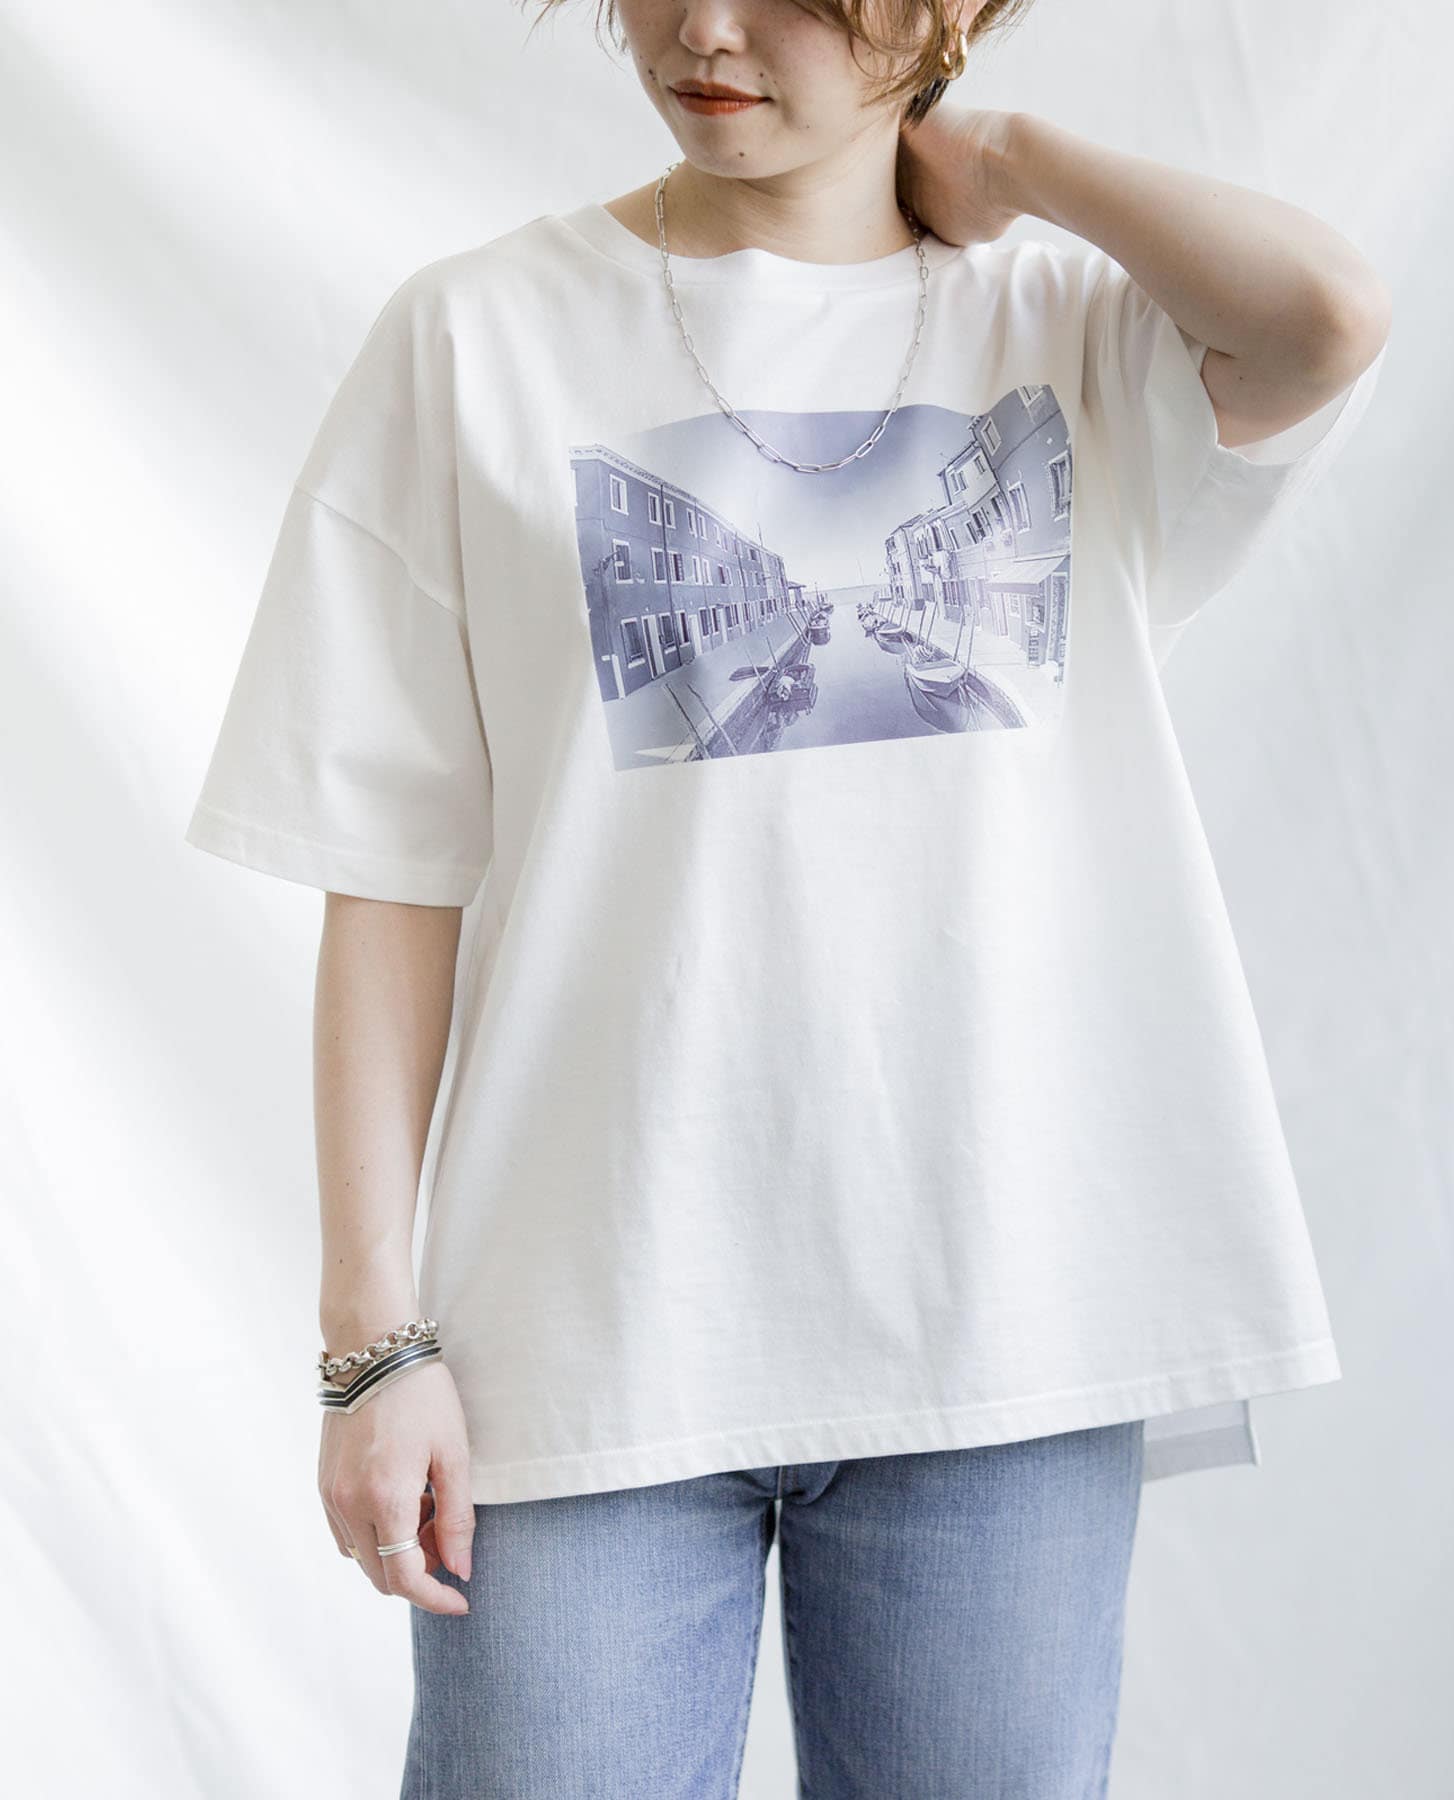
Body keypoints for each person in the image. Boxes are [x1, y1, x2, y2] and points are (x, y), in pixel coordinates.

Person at [183, 0, 1390, 1791]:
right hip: (581, 1338)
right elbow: (389, 873)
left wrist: (1007, 156)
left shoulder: (1069, 326)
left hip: (1003, 1326)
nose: (706, 29)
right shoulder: (475, 338)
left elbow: (1329, 318)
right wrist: (371, 1348)